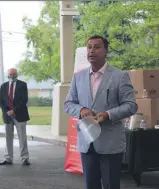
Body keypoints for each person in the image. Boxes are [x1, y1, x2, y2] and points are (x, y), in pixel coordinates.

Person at [64, 35, 138, 189]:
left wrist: (108, 114)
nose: (92, 51)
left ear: (106, 51)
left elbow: (131, 105)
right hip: (87, 143)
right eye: (89, 47)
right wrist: (81, 109)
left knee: (111, 185)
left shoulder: (120, 76)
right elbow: (68, 104)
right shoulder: (78, 77)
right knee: (91, 185)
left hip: (110, 143)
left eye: (97, 47)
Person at [0, 68, 31, 166]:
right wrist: (7, 111)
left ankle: (24, 158)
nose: (12, 76)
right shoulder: (3, 86)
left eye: (14, 74)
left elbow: (24, 100)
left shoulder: (22, 85)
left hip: (20, 114)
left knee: (22, 137)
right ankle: (8, 158)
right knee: (8, 137)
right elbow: (1, 101)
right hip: (7, 115)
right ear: (7, 75)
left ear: (17, 74)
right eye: (10, 74)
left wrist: (14, 110)